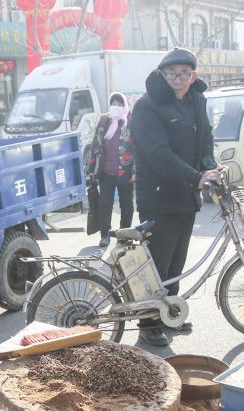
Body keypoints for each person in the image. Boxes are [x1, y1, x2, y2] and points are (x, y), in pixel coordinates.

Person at [131, 47, 221, 347]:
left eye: (184, 74)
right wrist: (197, 177)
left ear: (192, 75)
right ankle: (148, 322)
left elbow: (205, 137)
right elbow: (159, 155)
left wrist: (209, 164)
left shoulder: (195, 99)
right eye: (172, 74)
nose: (179, 80)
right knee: (156, 263)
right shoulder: (147, 106)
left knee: (176, 263)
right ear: (162, 74)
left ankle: (168, 313)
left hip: (186, 195)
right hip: (158, 196)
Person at [85, 92, 135, 247]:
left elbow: (137, 148)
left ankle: (124, 235)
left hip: (125, 172)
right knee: (105, 203)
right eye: (114, 104)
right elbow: (95, 145)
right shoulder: (103, 121)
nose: (116, 107)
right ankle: (105, 234)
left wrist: (135, 171)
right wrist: (91, 169)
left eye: (120, 104)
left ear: (125, 106)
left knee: (126, 205)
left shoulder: (130, 122)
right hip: (106, 172)